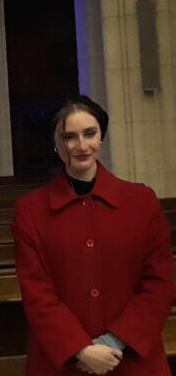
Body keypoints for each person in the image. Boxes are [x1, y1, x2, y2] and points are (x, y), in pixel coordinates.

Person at [12, 96, 174, 375]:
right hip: (62, 362)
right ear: (56, 143)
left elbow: (160, 281)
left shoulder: (141, 201)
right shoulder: (30, 210)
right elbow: (36, 293)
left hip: (132, 359)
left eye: (90, 133)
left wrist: (114, 341)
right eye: (69, 137)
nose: (81, 145)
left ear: (101, 137)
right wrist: (80, 349)